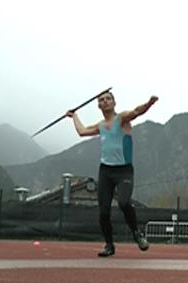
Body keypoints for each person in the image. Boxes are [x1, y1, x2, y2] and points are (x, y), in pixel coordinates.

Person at [67, 91, 157, 257]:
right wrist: (74, 116)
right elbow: (82, 131)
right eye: (102, 100)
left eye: (108, 99)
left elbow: (136, 111)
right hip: (106, 171)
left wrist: (149, 104)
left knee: (123, 202)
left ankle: (137, 233)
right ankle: (109, 245)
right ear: (99, 106)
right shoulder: (100, 125)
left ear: (114, 103)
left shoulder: (121, 118)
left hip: (124, 171)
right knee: (103, 212)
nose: (105, 101)